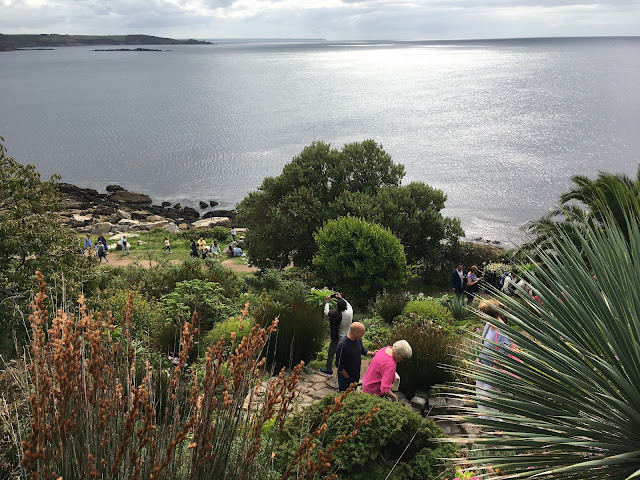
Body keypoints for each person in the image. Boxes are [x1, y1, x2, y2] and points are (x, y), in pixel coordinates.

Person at [476, 299, 516, 419]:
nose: (483, 318)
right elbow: (483, 343)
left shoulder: (502, 332)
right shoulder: (488, 325)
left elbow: (505, 355)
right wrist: (478, 359)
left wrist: (493, 369)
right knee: (479, 395)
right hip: (483, 366)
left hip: (494, 371)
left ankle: (498, 423)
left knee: (487, 397)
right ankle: (486, 421)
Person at [334, 322, 374, 392]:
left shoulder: (358, 340)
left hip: (356, 374)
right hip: (345, 377)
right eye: (362, 333)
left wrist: (372, 353)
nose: (363, 334)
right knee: (344, 395)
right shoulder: (342, 345)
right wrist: (347, 377)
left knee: (353, 394)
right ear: (355, 333)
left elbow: (362, 350)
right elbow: (338, 364)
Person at [320, 293, 353, 376]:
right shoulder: (349, 313)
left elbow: (326, 312)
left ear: (337, 306)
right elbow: (349, 305)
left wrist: (327, 302)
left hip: (337, 338)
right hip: (347, 337)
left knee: (331, 353)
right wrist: (341, 298)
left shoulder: (334, 314)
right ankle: (345, 370)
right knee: (344, 355)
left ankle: (329, 370)